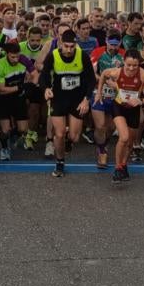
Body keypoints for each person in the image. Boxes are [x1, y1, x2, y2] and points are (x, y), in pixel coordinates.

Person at [40, 30, 94, 177]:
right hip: (58, 98)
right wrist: (45, 89)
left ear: (75, 44)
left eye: (72, 46)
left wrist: (86, 99)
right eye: (66, 46)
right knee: (59, 133)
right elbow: (43, 75)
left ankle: (69, 143)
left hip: (77, 99)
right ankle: (60, 163)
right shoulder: (53, 55)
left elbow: (91, 80)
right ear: (60, 44)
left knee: (75, 137)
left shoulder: (82, 55)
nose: (69, 50)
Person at [101, 49, 144, 182]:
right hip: (119, 107)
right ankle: (118, 168)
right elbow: (103, 74)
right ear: (123, 62)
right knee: (123, 137)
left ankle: (124, 165)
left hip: (134, 110)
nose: (131, 68)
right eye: (128, 65)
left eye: (135, 65)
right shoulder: (117, 72)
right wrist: (98, 93)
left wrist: (140, 101)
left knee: (130, 143)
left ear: (139, 64)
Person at [90, 33, 125, 169]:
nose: (113, 47)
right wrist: (102, 79)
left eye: (116, 45)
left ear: (120, 43)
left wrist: (116, 83)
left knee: (110, 127)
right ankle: (102, 151)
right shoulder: (97, 52)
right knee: (100, 126)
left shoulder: (123, 54)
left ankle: (104, 143)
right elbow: (91, 71)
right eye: (111, 44)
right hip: (99, 93)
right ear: (106, 42)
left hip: (115, 95)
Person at [0, 41, 30, 160]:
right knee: (5, 130)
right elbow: (2, 89)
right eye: (12, 57)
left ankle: (13, 135)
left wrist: (30, 83)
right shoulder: (0, 65)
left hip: (19, 99)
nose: (16, 59)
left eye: (18, 56)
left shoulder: (23, 61)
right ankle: (4, 149)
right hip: (4, 100)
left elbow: (33, 74)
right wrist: (19, 87)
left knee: (23, 129)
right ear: (7, 54)